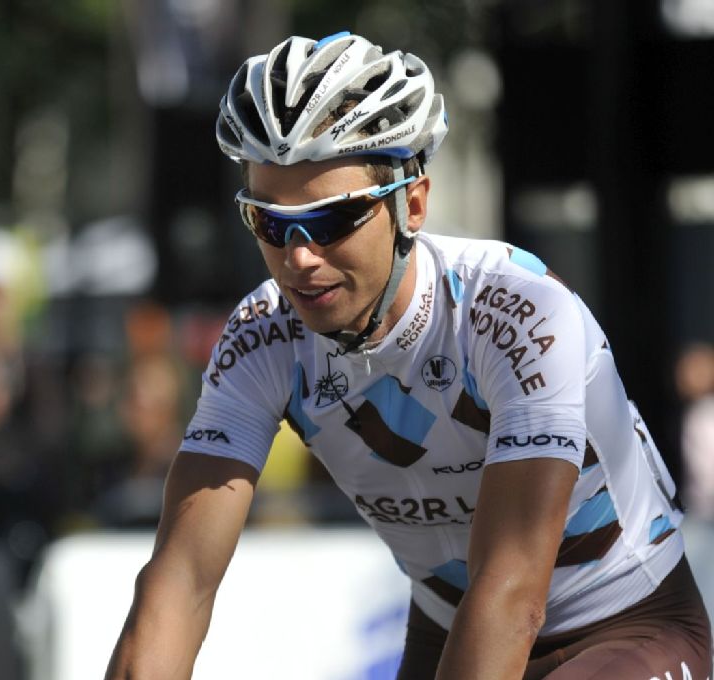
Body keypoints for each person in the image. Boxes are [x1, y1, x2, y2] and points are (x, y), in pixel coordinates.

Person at [105, 32, 712, 680]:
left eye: (331, 220)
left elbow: (511, 595)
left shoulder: (516, 311)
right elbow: (178, 585)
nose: (299, 257)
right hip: (449, 625)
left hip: (624, 625)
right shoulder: (262, 338)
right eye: (271, 223)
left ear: (412, 204)